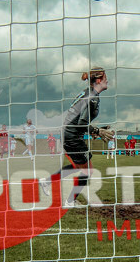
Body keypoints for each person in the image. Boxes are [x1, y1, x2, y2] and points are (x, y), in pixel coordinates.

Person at [40, 67, 113, 208]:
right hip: (72, 137)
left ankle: (47, 182)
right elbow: (81, 123)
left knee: (78, 167)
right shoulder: (92, 97)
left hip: (69, 134)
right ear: (98, 80)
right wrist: (97, 131)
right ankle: (69, 201)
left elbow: (79, 120)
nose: (107, 80)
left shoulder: (87, 93)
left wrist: (96, 130)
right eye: (105, 78)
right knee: (87, 170)